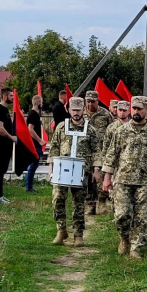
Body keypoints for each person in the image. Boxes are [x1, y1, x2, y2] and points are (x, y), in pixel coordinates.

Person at [102, 96, 147, 258]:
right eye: (134, 108)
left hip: (145, 181)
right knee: (122, 215)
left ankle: (136, 247)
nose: (136, 111)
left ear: (146, 110)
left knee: (142, 216)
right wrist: (107, 177)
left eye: (139, 108)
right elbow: (111, 155)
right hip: (123, 180)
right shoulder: (121, 131)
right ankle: (124, 238)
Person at [48, 97, 102, 248]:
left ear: (83, 110)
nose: (76, 113)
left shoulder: (90, 130)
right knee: (58, 198)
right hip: (62, 170)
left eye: (79, 110)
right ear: (69, 110)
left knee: (78, 203)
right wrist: (51, 168)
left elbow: (97, 150)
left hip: (81, 172)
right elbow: (54, 147)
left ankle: (78, 235)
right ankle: (61, 229)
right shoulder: (61, 127)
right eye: (73, 110)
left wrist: (96, 169)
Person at [84, 90, 113, 215]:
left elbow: (112, 131)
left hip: (101, 152)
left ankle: (102, 202)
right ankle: (90, 204)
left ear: (97, 101)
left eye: (93, 101)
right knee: (87, 180)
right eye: (88, 101)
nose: (90, 104)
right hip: (85, 152)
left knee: (101, 179)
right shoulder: (82, 113)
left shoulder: (105, 114)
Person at [100, 100, 131, 214]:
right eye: (120, 110)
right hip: (115, 165)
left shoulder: (132, 127)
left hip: (129, 165)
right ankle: (116, 213)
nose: (122, 113)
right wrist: (105, 165)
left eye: (124, 110)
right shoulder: (111, 128)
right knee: (114, 192)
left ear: (129, 111)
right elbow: (106, 148)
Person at [0, 88, 17, 203]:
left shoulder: (5, 110)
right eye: (11, 96)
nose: (13, 97)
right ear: (4, 96)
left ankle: (0, 195)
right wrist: (12, 137)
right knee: (0, 170)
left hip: (6, 144)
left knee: (3, 169)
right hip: (1, 143)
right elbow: (0, 129)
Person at [26, 95, 47, 192]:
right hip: (34, 144)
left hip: (35, 143)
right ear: (38, 103)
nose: (42, 104)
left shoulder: (35, 115)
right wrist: (40, 140)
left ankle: (29, 185)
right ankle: (29, 186)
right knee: (34, 164)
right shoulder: (33, 114)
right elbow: (30, 129)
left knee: (35, 164)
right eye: (41, 102)